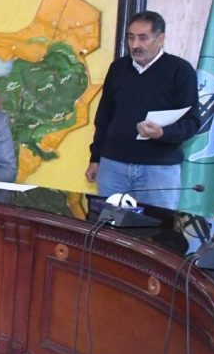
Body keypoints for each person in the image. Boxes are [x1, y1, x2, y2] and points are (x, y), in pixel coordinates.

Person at [86, 11, 201, 210]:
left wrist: (162, 132)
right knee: (107, 225)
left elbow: (192, 122)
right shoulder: (118, 68)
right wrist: (95, 158)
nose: (135, 45)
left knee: (156, 226)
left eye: (142, 38)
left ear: (160, 39)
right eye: (130, 37)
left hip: (158, 170)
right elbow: (104, 117)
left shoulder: (180, 70)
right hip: (113, 165)